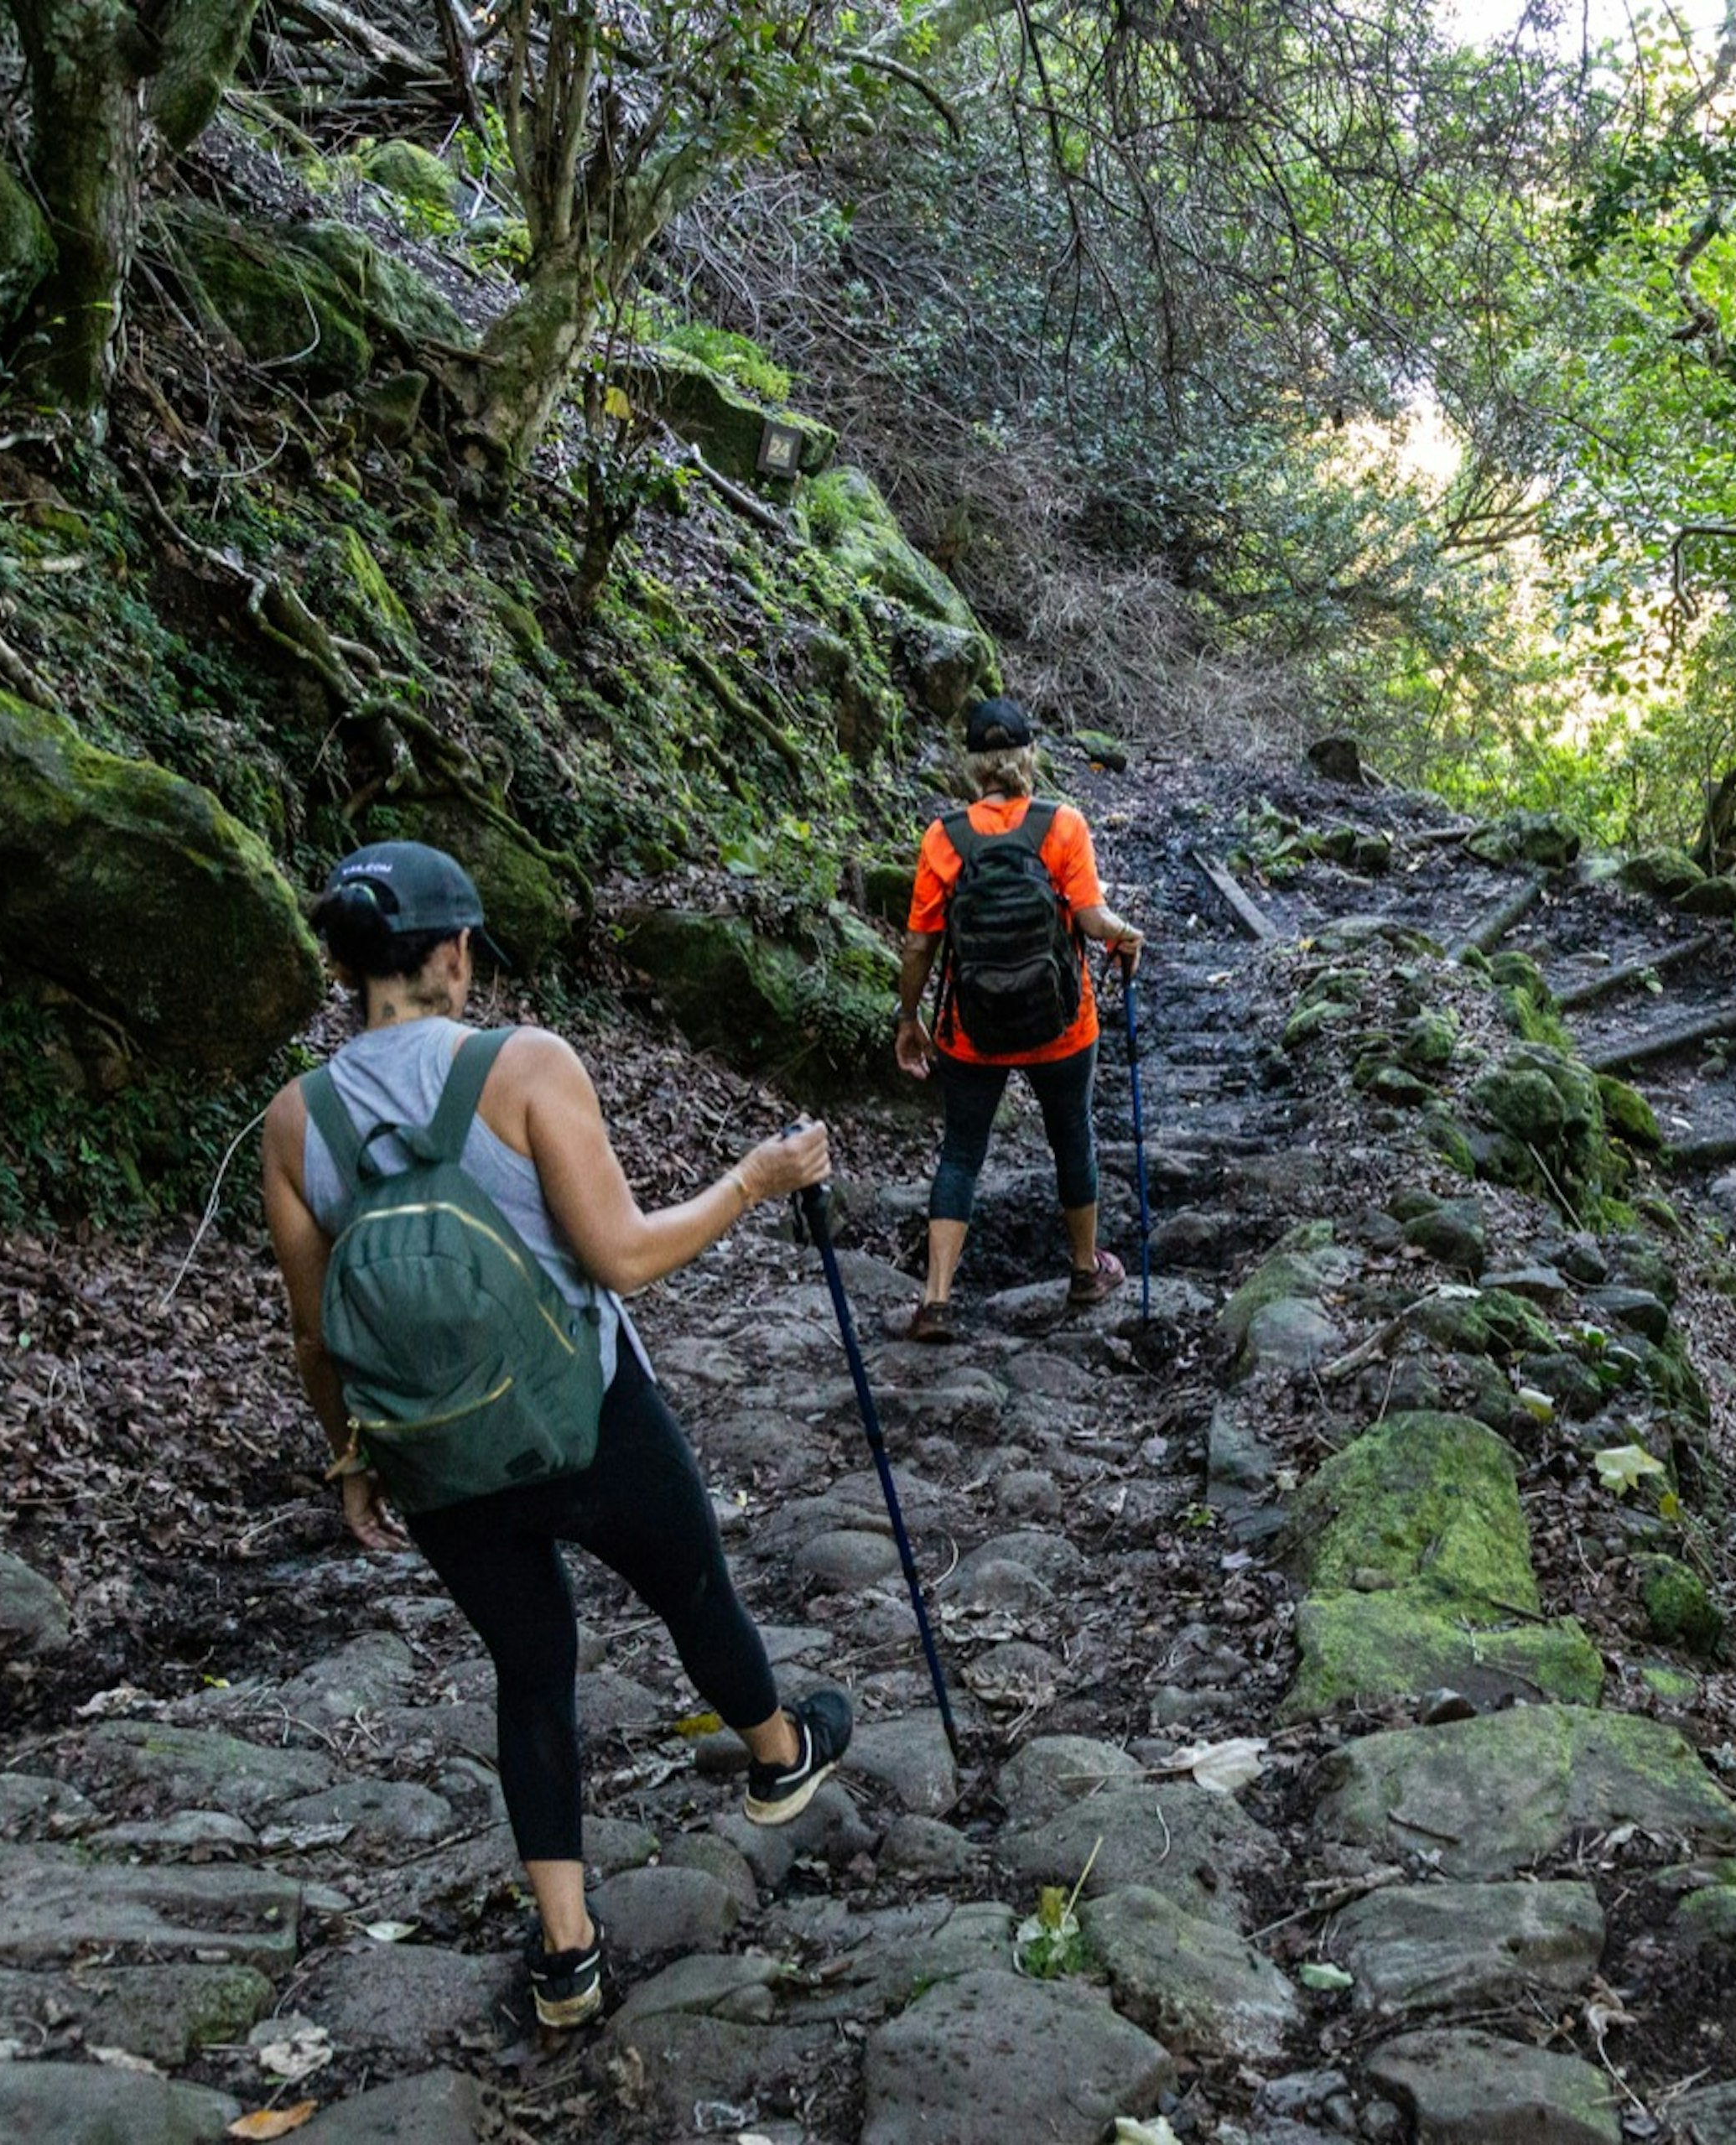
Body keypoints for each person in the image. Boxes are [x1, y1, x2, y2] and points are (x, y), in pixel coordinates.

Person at [258, 840, 850, 2030]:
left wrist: (354, 1460)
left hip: (435, 1458)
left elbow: (317, 1337)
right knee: (690, 1586)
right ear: (456, 951)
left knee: (530, 1671)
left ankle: (568, 1952)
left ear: (344, 965)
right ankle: (782, 1754)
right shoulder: (523, 1063)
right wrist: (756, 1178)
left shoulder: (293, 1120)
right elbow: (623, 1255)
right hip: (587, 1415)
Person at [892, 698, 1146, 1340]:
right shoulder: (1063, 825)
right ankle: (1087, 1271)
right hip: (1062, 1026)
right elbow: (1091, 920)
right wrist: (1126, 936)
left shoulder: (943, 837)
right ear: (1028, 758)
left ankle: (937, 1301)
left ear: (973, 766)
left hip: (970, 1032)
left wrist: (909, 1018)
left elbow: (921, 944)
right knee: (1072, 1137)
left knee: (961, 1153)